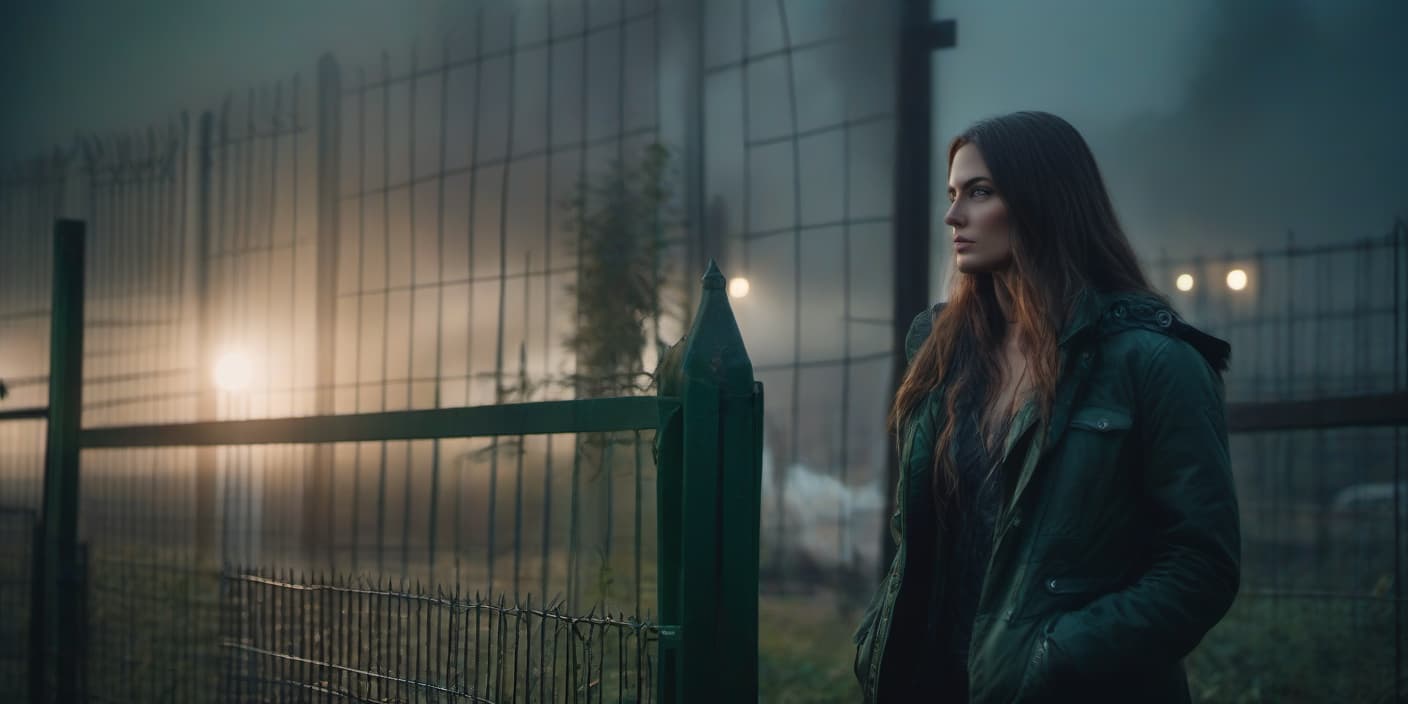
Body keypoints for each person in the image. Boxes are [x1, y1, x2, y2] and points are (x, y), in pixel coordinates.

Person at [852, 111, 1240, 703]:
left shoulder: (1154, 363)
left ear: (1044, 201)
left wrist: (1054, 658)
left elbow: (1199, 568)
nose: (954, 215)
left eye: (980, 193)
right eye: (953, 194)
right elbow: (921, 536)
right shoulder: (943, 352)